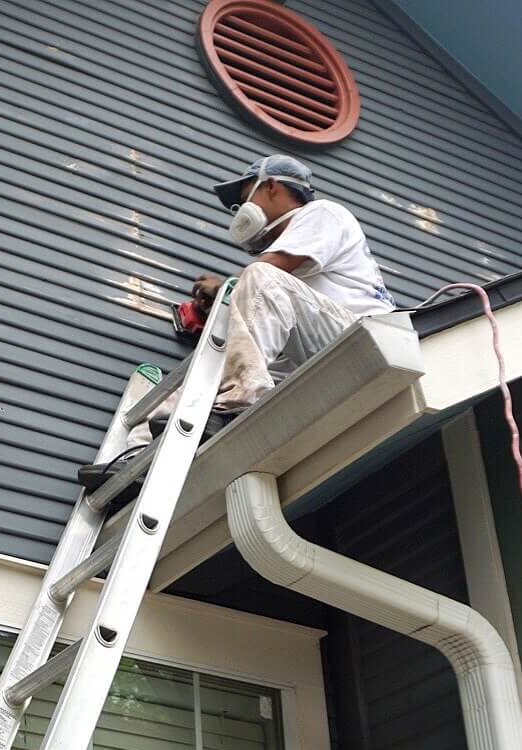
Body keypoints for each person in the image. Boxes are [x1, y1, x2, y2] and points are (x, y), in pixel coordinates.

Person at [80, 154, 394, 497]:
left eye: (245, 199)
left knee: (259, 277)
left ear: (272, 186)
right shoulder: (278, 281)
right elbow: (265, 307)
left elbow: (272, 271)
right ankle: (135, 466)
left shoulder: (323, 214)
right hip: (314, 355)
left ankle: (240, 401)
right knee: (178, 392)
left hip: (360, 337)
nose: (241, 210)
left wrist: (225, 289)